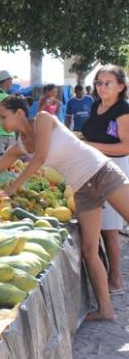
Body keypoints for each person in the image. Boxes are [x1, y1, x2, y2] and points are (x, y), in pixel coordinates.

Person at [0, 95, 129, 321]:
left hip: (100, 172)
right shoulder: (18, 146)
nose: (0, 122)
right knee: (90, 251)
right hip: (82, 189)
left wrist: (13, 187)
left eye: (3, 116)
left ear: (19, 112)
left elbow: (40, 157)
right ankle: (106, 310)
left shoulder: (43, 118)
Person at [81, 65, 129, 295]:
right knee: (98, 227)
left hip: (114, 169)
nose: (102, 87)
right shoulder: (95, 105)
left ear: (121, 86)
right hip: (93, 167)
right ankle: (105, 276)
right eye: (99, 82)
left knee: (110, 227)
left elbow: (125, 146)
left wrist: (89, 146)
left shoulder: (123, 109)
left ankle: (117, 280)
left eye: (108, 83)